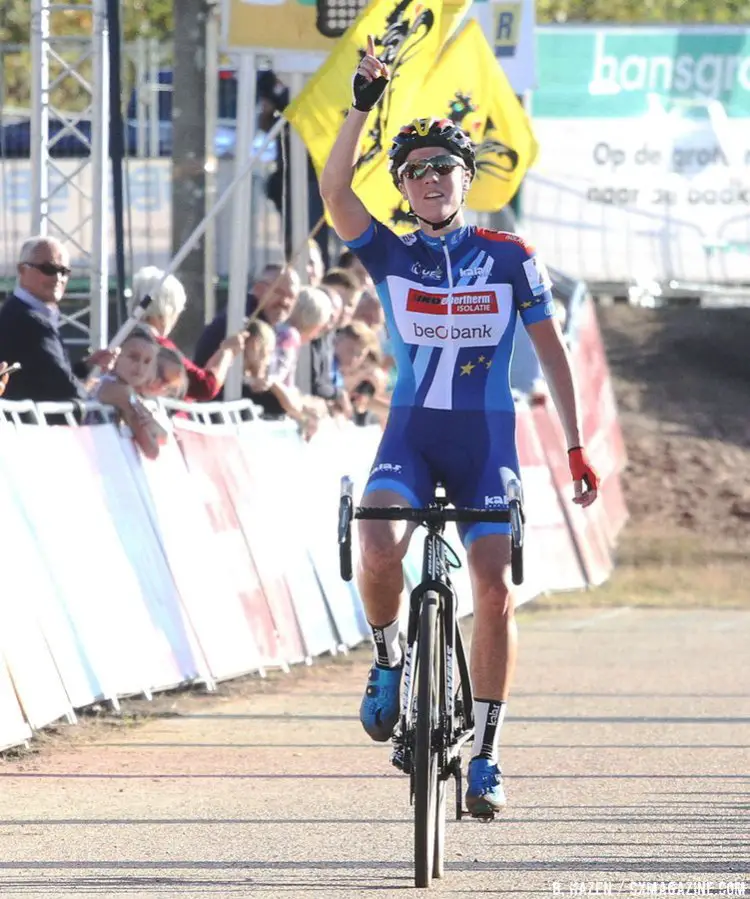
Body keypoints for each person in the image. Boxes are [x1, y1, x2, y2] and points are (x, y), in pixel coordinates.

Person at [319, 37, 600, 817]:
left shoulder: (512, 257)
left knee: (494, 591)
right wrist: (360, 104)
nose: (433, 178)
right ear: (405, 188)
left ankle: (488, 752)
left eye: (446, 166)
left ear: (466, 178)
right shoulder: (389, 252)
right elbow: (336, 189)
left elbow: (553, 358)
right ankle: (386, 657)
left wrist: (576, 445)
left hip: (485, 443)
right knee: (375, 544)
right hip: (410, 434)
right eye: (418, 171)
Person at [130, 266, 245, 402]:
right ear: (166, 312)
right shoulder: (157, 345)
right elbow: (205, 387)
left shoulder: (126, 340)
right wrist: (228, 352)